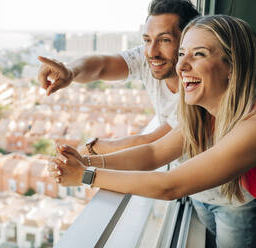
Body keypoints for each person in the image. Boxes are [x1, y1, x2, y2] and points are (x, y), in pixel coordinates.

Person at [49, 15, 256, 248]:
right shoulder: (205, 112)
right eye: (182, 54)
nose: (182, 66)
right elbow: (154, 153)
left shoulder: (252, 125)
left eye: (199, 54)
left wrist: (85, 176)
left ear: (233, 65)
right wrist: (86, 161)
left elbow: (170, 185)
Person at [38, 0, 199, 155]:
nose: (151, 52)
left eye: (165, 40)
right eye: (147, 40)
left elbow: (152, 143)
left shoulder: (197, 86)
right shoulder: (148, 58)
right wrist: (71, 72)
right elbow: (102, 66)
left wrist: (93, 150)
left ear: (189, 42)